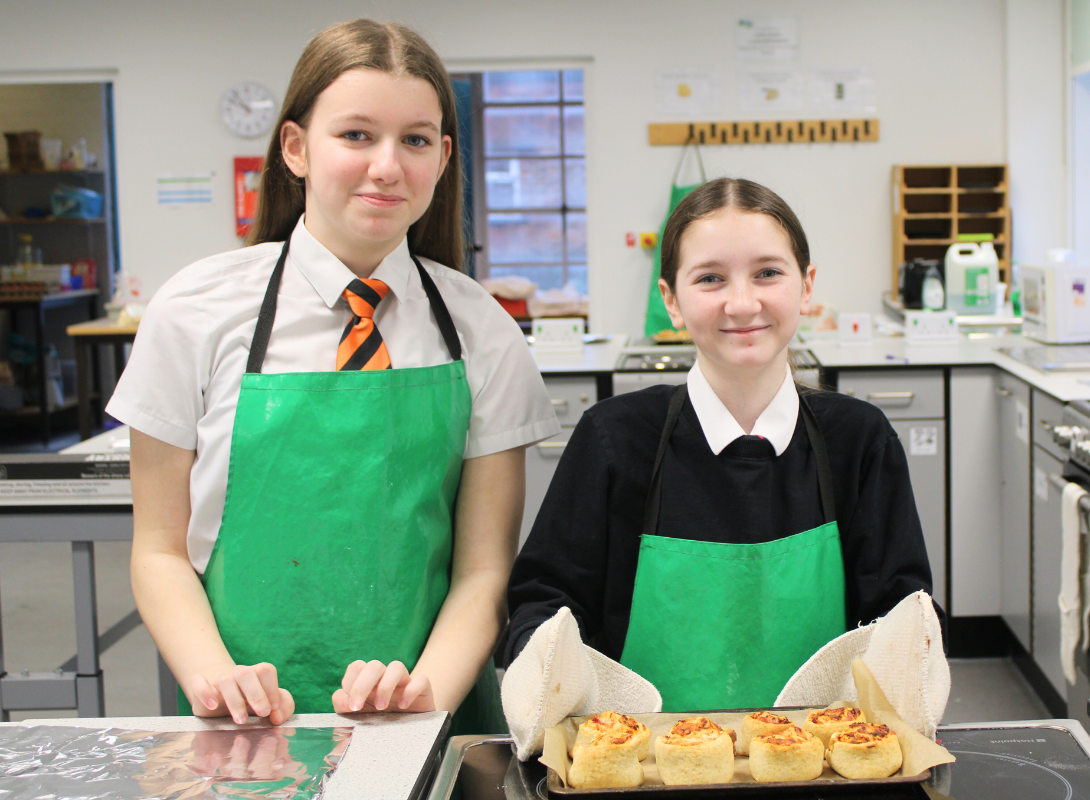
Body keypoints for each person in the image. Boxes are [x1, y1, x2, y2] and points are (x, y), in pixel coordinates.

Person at [110, 19, 559, 733]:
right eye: (356, 135)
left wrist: (422, 700)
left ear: (443, 156)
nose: (387, 166)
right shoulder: (195, 312)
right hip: (242, 722)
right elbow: (159, 551)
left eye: (414, 140)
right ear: (295, 147)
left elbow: (482, 572)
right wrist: (216, 679)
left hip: (429, 713)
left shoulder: (484, 332)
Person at [504, 178, 937, 712]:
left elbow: (903, 620)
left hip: (823, 768)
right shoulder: (613, 440)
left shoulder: (860, 440)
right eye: (710, 278)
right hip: (640, 767)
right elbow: (544, 605)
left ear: (806, 285)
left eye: (768, 273)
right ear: (672, 301)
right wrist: (551, 679)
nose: (741, 302)